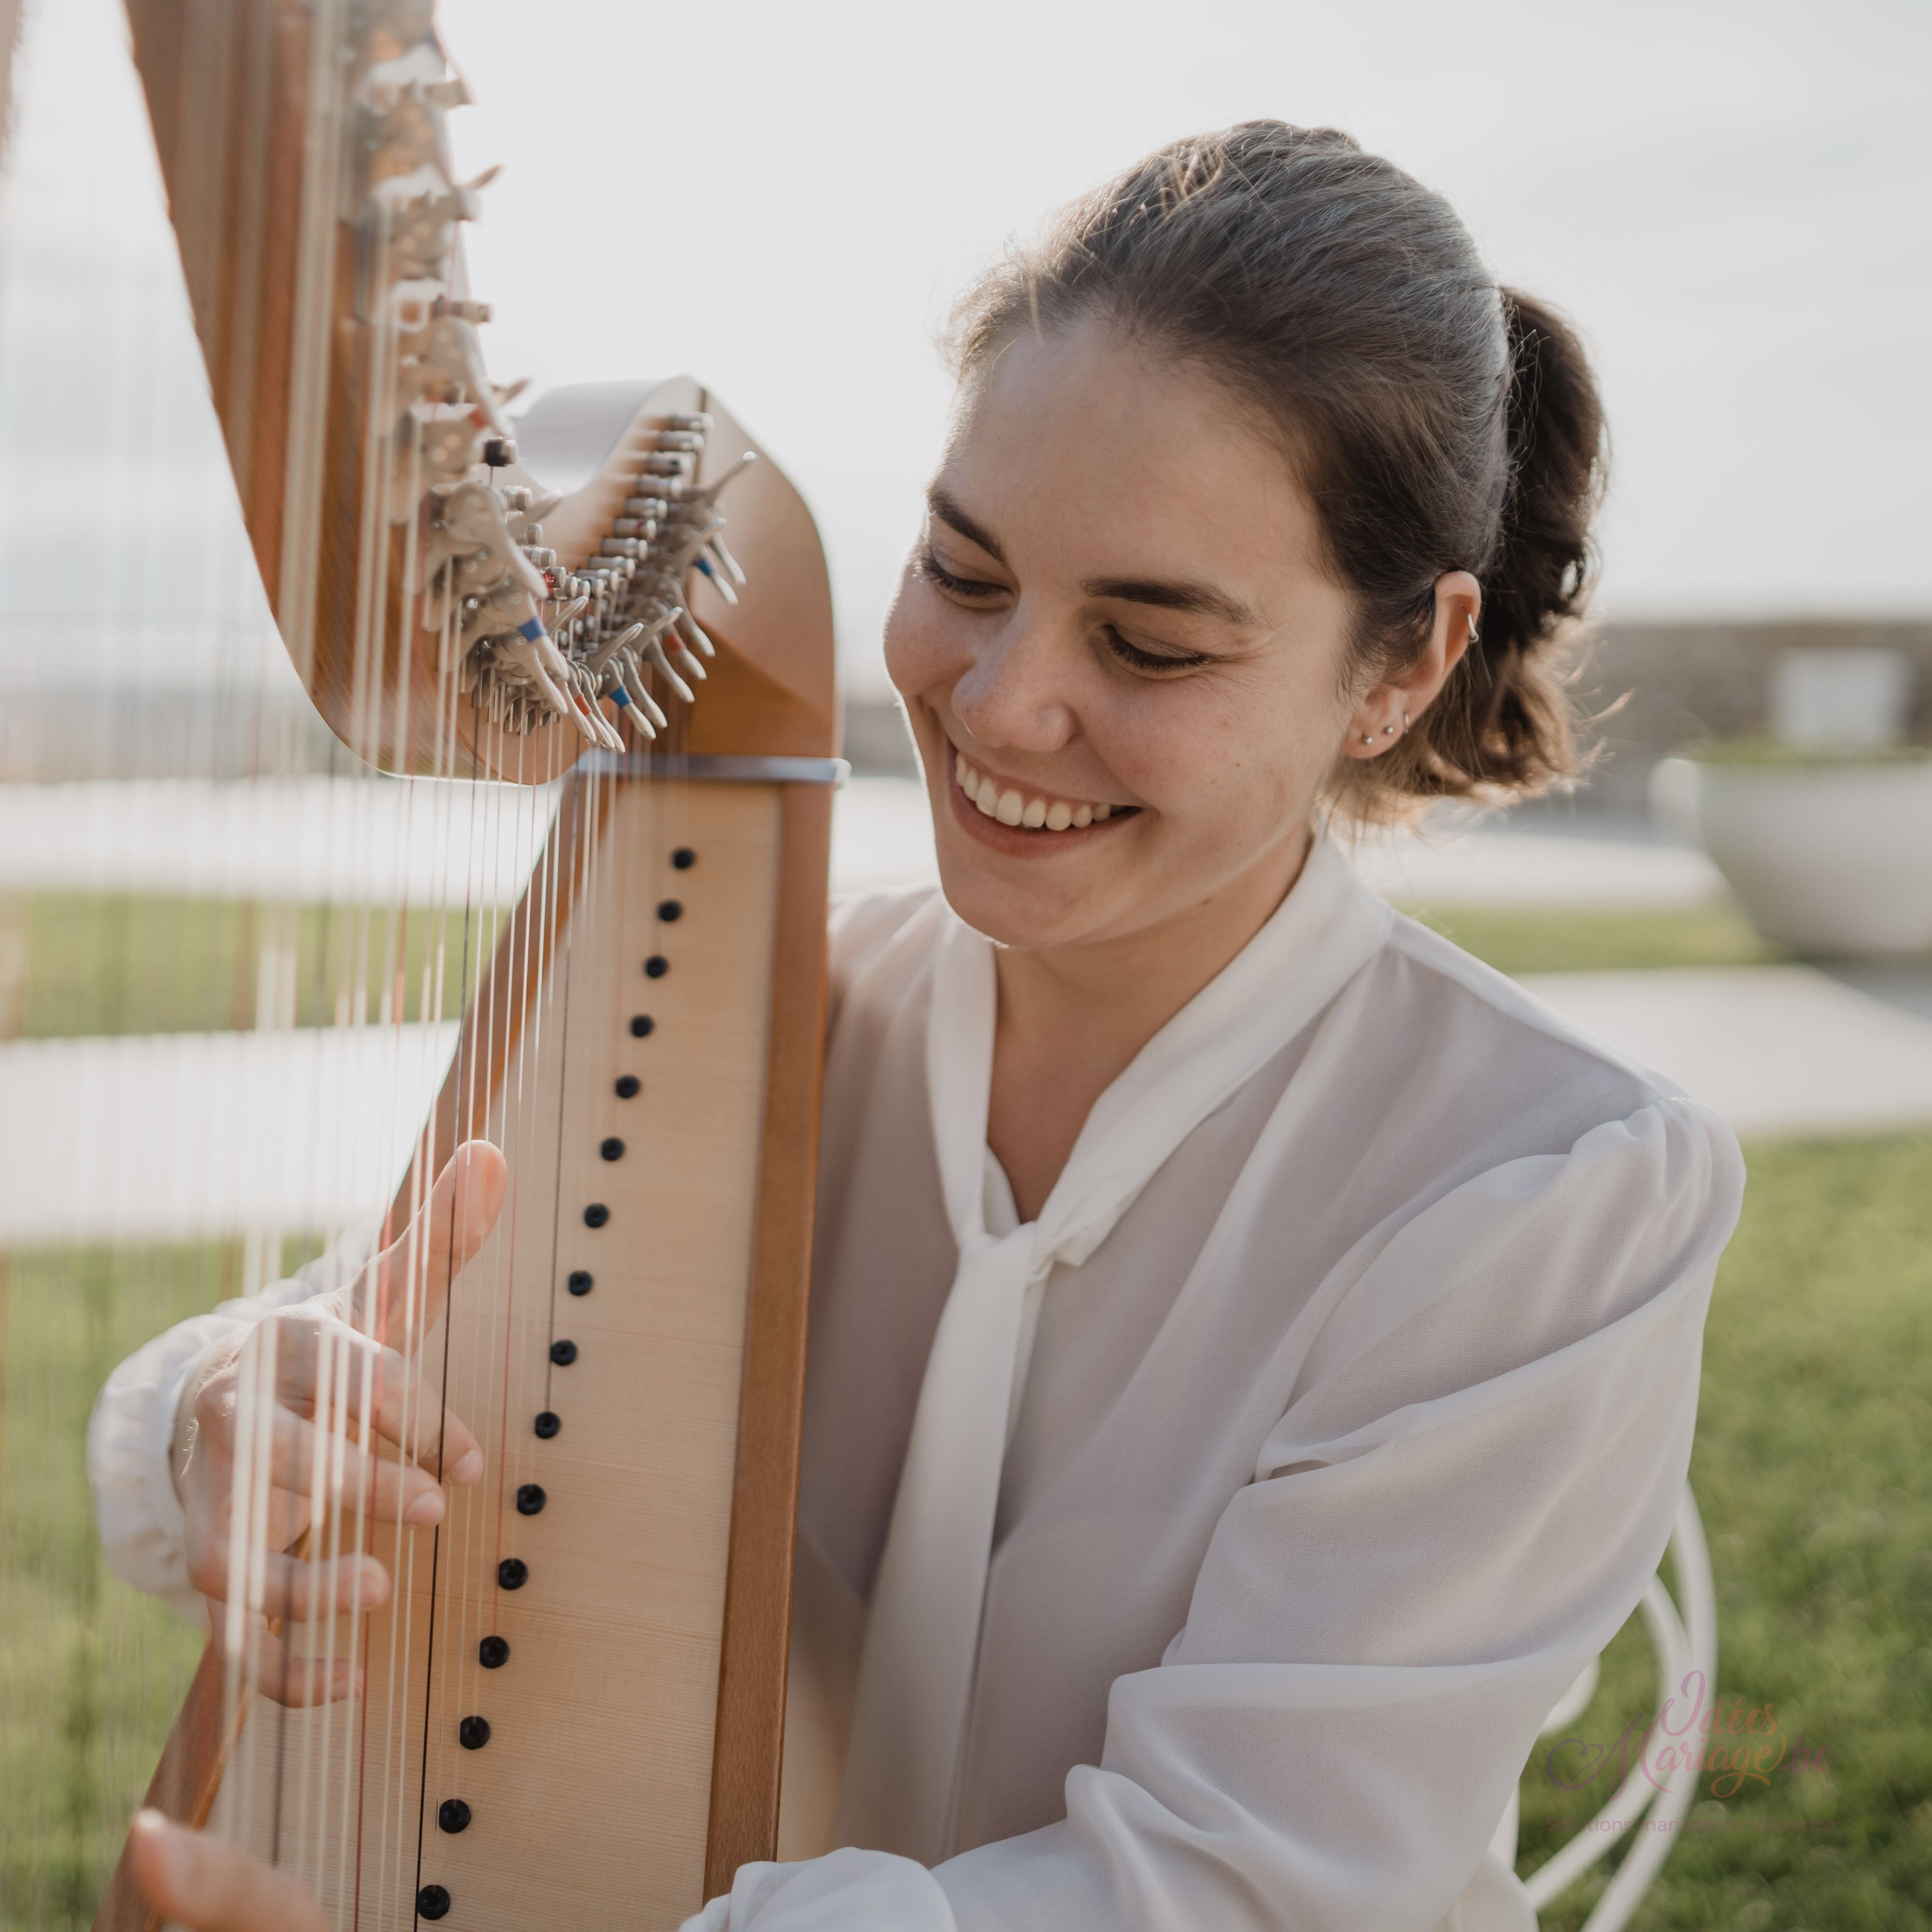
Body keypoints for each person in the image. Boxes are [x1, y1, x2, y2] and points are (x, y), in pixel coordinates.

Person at [90, 121, 1743, 1932]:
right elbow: (345, 1323)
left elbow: (1236, 1886)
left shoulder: (1542, 1190)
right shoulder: (774, 999)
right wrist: (226, 1413)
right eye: (966, 574)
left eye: (1152, 646)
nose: (1004, 703)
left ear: (1403, 666)